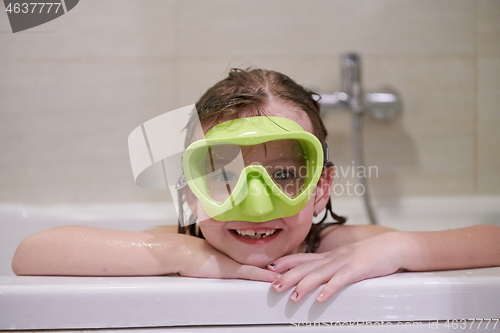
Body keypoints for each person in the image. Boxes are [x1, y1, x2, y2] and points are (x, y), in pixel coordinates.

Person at [12, 68, 500, 304]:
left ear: (321, 188)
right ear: (188, 191)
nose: (255, 201)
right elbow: (31, 253)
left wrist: (395, 248)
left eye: (285, 174)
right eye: (223, 176)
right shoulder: (181, 242)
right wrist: (184, 257)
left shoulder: (337, 246)